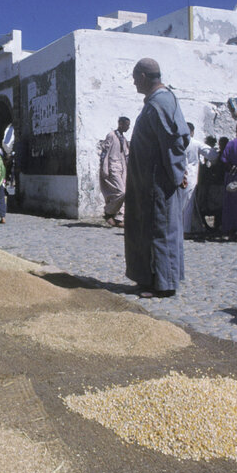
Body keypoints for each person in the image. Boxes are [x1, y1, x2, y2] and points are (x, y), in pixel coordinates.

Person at [124, 57, 190, 298]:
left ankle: (164, 284)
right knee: (149, 231)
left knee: (160, 231)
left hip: (157, 184)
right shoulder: (156, 101)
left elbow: (174, 141)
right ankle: (152, 279)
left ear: (142, 77)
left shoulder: (160, 103)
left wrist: (176, 174)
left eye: (134, 79)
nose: (134, 84)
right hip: (148, 183)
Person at [99, 116, 130, 227]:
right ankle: (108, 212)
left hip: (122, 169)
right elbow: (104, 153)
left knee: (124, 192)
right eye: (126, 124)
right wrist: (104, 168)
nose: (128, 127)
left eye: (129, 125)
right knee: (121, 192)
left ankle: (119, 217)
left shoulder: (124, 139)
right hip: (113, 168)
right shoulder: (111, 136)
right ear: (120, 124)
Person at [181, 122, 208, 237]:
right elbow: (212, 154)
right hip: (190, 176)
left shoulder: (177, 143)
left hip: (178, 176)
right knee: (188, 204)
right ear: (192, 132)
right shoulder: (195, 143)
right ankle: (186, 230)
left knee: (179, 204)